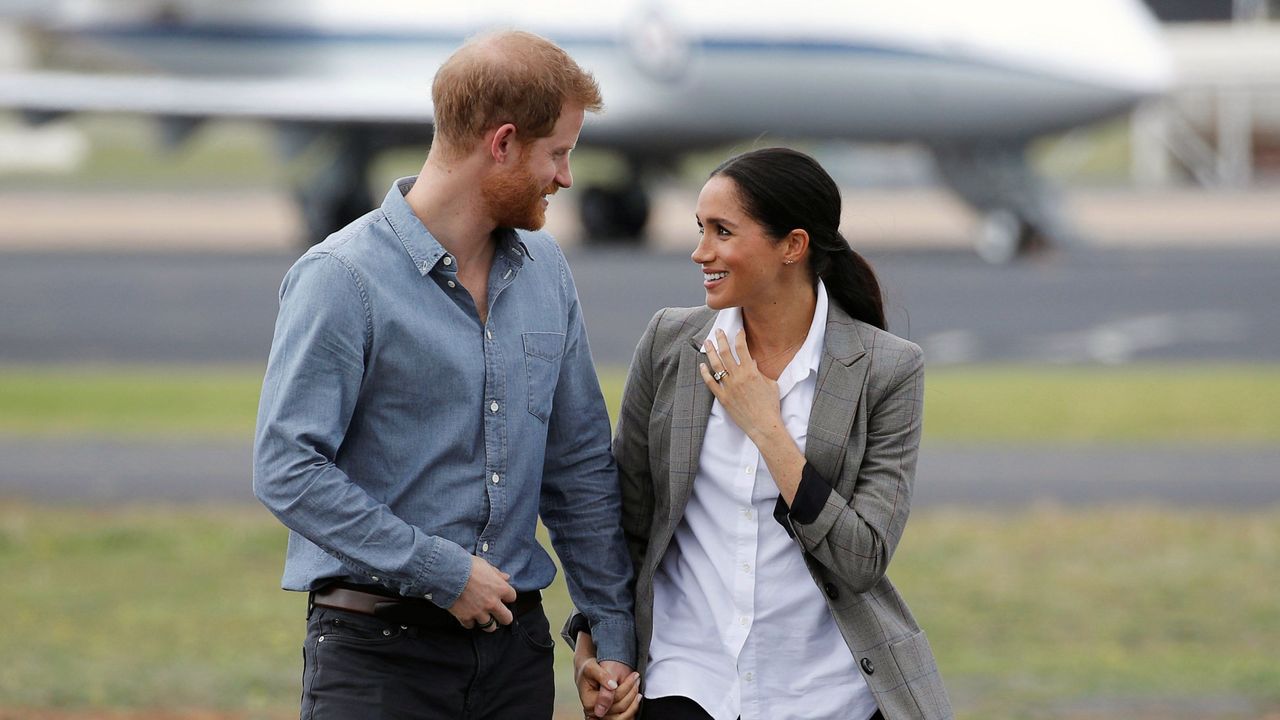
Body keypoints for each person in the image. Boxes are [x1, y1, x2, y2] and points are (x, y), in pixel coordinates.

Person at [252, 30, 636, 720]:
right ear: (503, 143)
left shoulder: (548, 272)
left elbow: (577, 467)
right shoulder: (341, 278)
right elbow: (286, 466)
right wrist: (441, 570)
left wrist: (610, 632)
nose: (567, 177)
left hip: (517, 659)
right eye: (559, 153)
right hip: (376, 657)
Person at [568, 148, 953, 720]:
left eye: (723, 232)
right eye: (701, 229)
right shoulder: (669, 343)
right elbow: (626, 522)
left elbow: (863, 558)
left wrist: (767, 428)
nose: (701, 252)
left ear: (792, 246)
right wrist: (593, 641)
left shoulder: (887, 369)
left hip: (827, 696)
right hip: (687, 683)